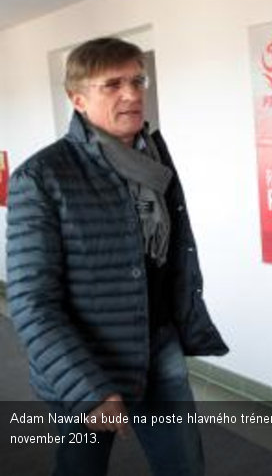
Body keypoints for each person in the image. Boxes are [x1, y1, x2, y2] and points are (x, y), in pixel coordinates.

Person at [5, 37, 228, 476]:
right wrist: (87, 390)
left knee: (184, 465)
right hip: (85, 361)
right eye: (112, 84)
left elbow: (168, 255)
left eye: (137, 80)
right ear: (78, 99)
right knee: (81, 468)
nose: (132, 94)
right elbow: (32, 302)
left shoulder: (153, 157)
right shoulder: (41, 176)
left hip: (157, 344)